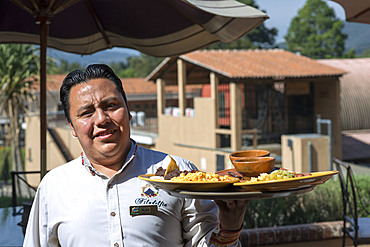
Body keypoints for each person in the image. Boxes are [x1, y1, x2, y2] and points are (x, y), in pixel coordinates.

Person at [23, 64, 249, 247]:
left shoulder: (180, 173)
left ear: (128, 111)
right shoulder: (53, 187)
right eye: (87, 112)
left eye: (111, 105)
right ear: (72, 126)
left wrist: (229, 228)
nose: (101, 119)